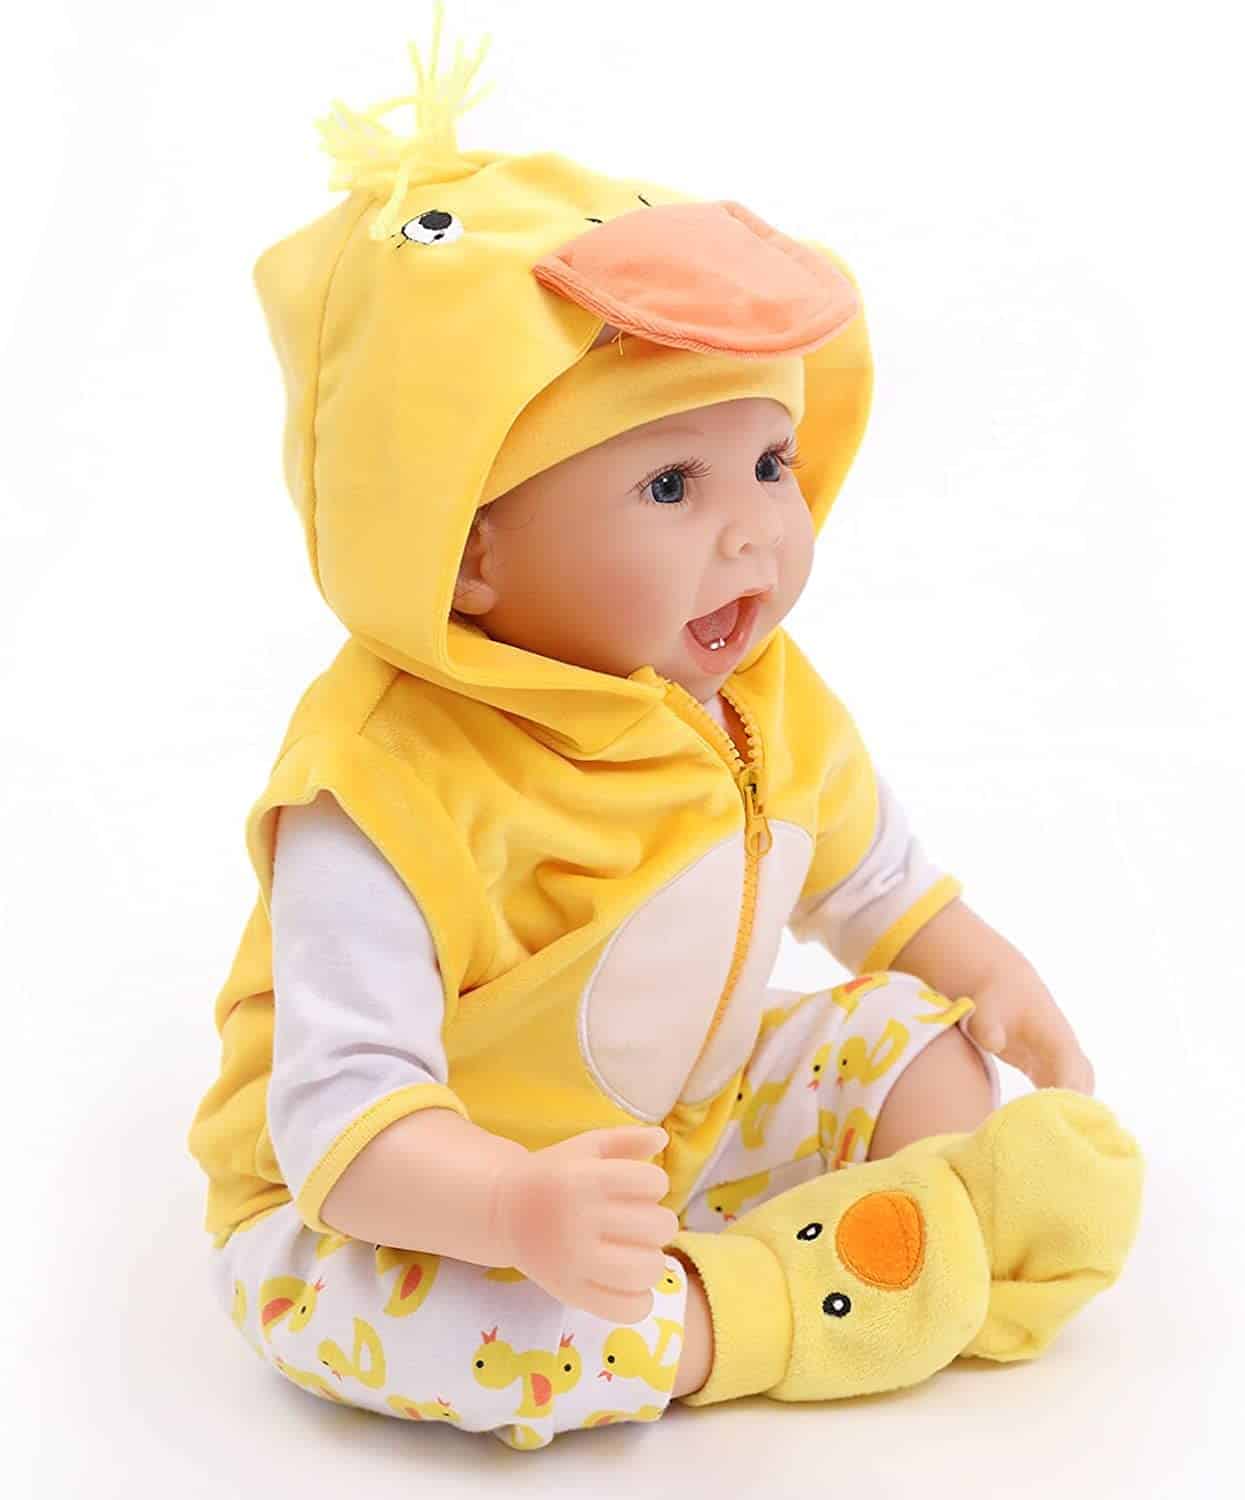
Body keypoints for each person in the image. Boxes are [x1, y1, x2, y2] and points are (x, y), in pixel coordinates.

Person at [186, 4, 1142, 1451]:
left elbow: (870, 883)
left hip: (666, 1122)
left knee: (913, 1041)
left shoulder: (757, 689)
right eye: (671, 488)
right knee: (495, 1336)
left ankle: (922, 1216)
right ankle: (759, 1312)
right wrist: (515, 1207)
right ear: (467, 550)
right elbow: (339, 1114)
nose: (755, 531)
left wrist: (981, 968)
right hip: (406, 1203)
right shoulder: (376, 788)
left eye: (769, 461)